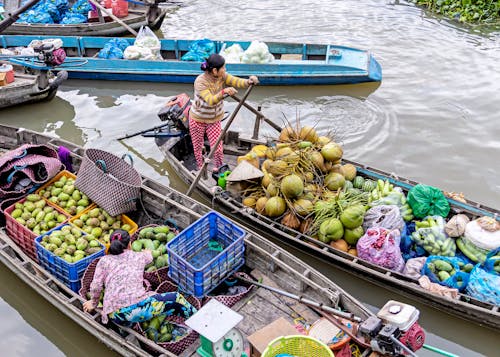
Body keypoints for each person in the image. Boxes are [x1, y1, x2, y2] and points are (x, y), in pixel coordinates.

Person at [82, 229, 197, 326]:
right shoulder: (139, 257)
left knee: (151, 298)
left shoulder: (104, 260)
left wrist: (93, 303)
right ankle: (199, 321)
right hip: (133, 311)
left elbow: (96, 286)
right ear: (130, 244)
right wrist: (147, 251)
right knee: (176, 298)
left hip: (113, 314)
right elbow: (150, 255)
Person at [189, 53, 259, 171]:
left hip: (214, 119)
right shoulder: (200, 82)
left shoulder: (222, 76)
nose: (225, 70)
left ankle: (219, 167)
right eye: (223, 67)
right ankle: (201, 167)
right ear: (215, 70)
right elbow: (211, 100)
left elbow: (236, 81)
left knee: (217, 148)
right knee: (198, 146)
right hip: (198, 119)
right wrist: (224, 92)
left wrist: (249, 81)